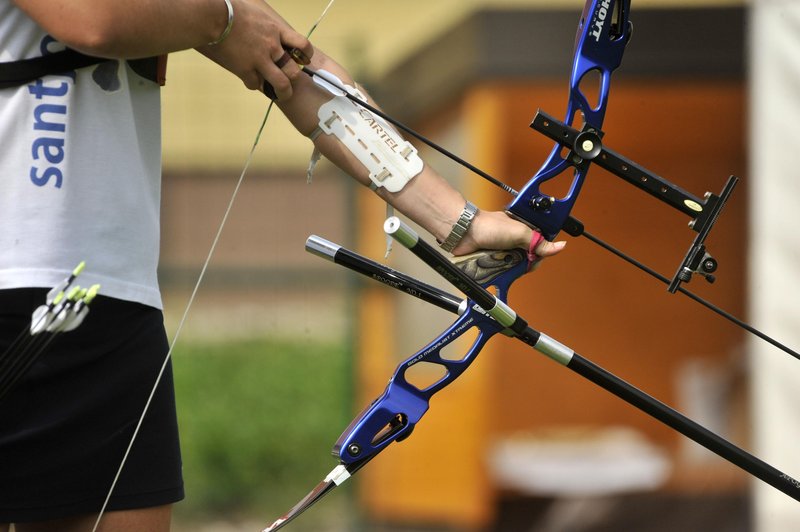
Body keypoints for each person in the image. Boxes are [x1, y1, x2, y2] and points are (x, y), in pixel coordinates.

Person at [0, 1, 565, 530]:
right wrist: (226, 16)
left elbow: (293, 69)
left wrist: (459, 222)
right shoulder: (207, 11)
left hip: (111, 307)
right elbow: (94, 17)